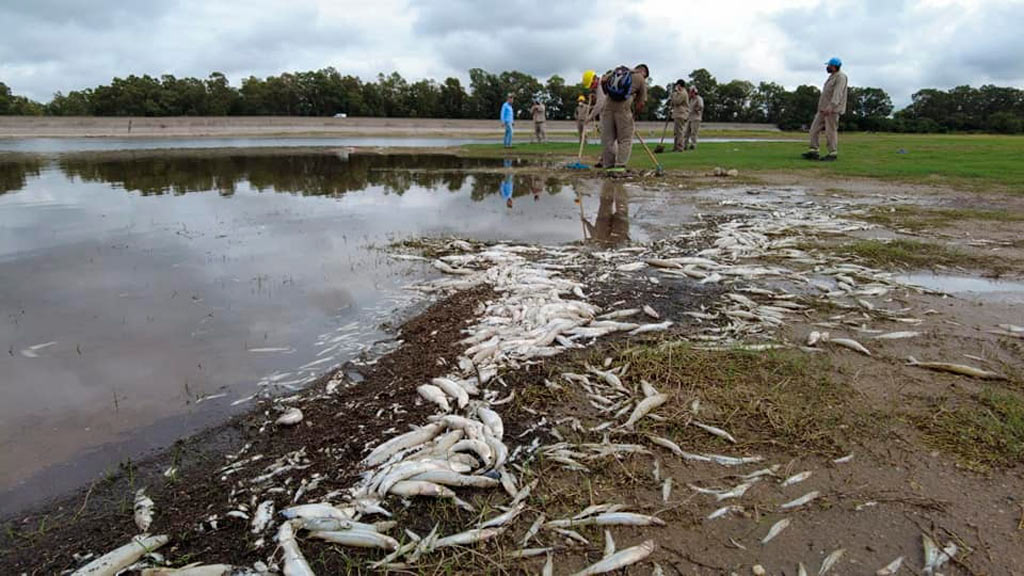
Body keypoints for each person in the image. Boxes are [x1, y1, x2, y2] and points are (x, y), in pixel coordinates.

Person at [598, 64, 649, 173]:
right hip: (623, 109)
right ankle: (620, 166)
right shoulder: (640, 78)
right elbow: (641, 103)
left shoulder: (619, 70)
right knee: (625, 139)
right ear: (643, 72)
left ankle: (608, 166)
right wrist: (634, 115)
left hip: (608, 106)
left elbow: (603, 81)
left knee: (608, 139)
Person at [803, 57, 848, 161]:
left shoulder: (841, 77)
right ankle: (813, 151)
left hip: (832, 110)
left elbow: (838, 93)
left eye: (829, 66)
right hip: (822, 109)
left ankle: (832, 153)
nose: (827, 67)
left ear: (834, 66)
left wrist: (831, 106)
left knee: (830, 131)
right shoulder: (832, 76)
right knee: (814, 129)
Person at [582, 180, 630, 245]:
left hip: (611, 226)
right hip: (609, 225)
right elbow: (593, 232)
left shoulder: (598, 241)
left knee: (617, 205)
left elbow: (593, 233)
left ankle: (614, 183)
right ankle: (613, 183)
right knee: (608, 203)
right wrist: (586, 222)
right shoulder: (598, 241)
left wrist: (586, 222)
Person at [670, 79, 690, 152]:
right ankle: (676, 147)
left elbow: (676, 101)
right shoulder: (679, 93)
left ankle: (680, 147)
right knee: (676, 132)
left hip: (681, 114)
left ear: (679, 85)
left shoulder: (683, 93)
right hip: (677, 114)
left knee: (679, 131)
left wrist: (674, 94)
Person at [683, 86, 704, 150]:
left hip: (696, 118)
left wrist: (696, 110)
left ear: (694, 92)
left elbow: (701, 106)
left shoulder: (699, 98)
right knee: (686, 133)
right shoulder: (691, 100)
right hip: (689, 118)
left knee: (693, 133)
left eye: (691, 92)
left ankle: (693, 145)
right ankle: (684, 145)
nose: (689, 94)